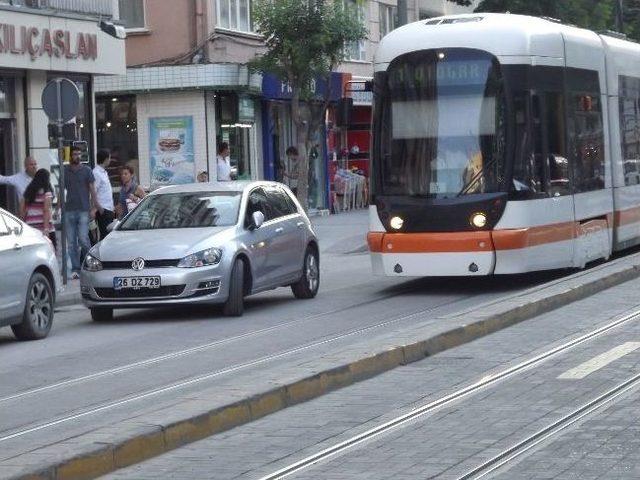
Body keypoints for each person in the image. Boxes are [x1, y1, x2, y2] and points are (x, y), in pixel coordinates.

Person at [65, 146, 98, 280]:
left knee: (84, 239)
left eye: (79, 154)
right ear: (70, 156)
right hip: (68, 210)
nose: (77, 156)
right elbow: (61, 189)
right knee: (71, 242)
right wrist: (58, 207)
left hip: (84, 209)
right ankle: (75, 269)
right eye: (75, 154)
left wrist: (93, 208)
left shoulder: (87, 170)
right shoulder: (65, 171)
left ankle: (91, 263)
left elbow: (92, 190)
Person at [20, 168, 56, 249]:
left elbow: (22, 210)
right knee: (50, 251)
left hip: (30, 226)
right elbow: (46, 211)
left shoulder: (28, 192)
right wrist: (46, 229)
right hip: (43, 226)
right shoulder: (47, 193)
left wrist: (23, 225)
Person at [93, 149, 115, 242]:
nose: (110, 160)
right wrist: (98, 208)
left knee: (109, 234)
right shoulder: (96, 173)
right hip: (103, 209)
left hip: (109, 208)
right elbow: (93, 191)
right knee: (105, 235)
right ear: (105, 159)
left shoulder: (104, 172)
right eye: (109, 158)